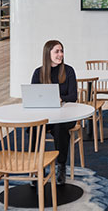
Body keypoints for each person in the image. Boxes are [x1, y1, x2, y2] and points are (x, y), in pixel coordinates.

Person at [30, 39, 77, 184]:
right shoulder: (38, 73)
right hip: (45, 114)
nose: (60, 54)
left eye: (61, 51)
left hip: (65, 114)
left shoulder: (68, 71)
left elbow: (73, 96)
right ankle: (36, 166)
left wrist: (60, 99)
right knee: (34, 126)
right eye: (57, 51)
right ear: (47, 53)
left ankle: (61, 166)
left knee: (59, 127)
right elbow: (32, 96)